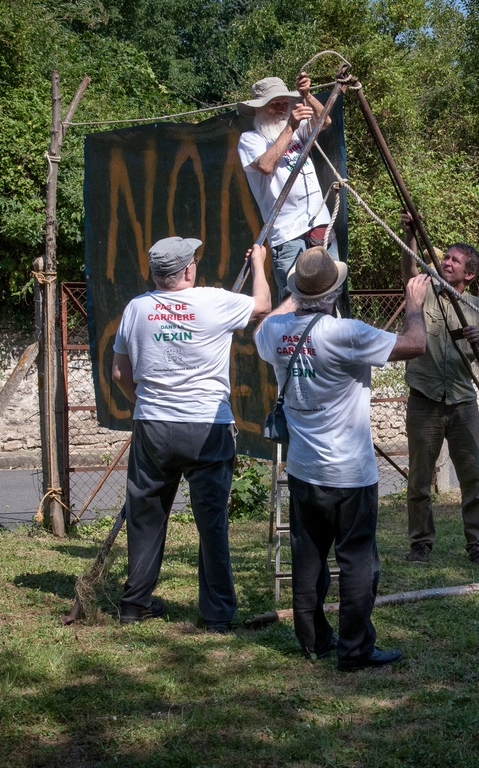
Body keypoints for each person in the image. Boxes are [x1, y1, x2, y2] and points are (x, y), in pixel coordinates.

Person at [255, 246, 429, 670]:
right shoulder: (345, 332)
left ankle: (313, 640)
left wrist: (292, 285)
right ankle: (354, 649)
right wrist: (414, 306)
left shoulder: (275, 332)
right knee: (357, 561)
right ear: (334, 292)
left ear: (297, 290)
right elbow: (415, 344)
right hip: (350, 472)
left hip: (303, 468)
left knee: (308, 557)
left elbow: (265, 319)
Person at [111, 237, 271, 631]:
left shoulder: (136, 309)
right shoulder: (213, 301)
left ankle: (135, 604)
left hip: (153, 427)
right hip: (207, 427)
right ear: (186, 270)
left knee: (145, 516)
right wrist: (260, 265)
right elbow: (263, 305)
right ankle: (216, 614)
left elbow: (119, 374)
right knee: (211, 522)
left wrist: (146, 405)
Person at [399, 212, 479, 564]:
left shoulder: (477, 308)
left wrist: (477, 344)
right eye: (446, 257)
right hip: (424, 399)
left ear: (469, 273)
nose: (446, 262)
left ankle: (478, 546)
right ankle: (420, 543)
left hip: (462, 402)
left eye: (454, 260)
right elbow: (409, 273)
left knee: (472, 477)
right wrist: (410, 236)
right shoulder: (425, 292)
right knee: (419, 480)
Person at [238, 72, 338, 298]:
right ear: (259, 108)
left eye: (286, 101)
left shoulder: (297, 130)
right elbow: (265, 165)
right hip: (287, 233)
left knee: (331, 291)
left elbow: (326, 120)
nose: (283, 108)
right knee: (294, 299)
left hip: (319, 224)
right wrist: (291, 127)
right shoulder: (251, 139)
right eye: (275, 104)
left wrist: (307, 96)